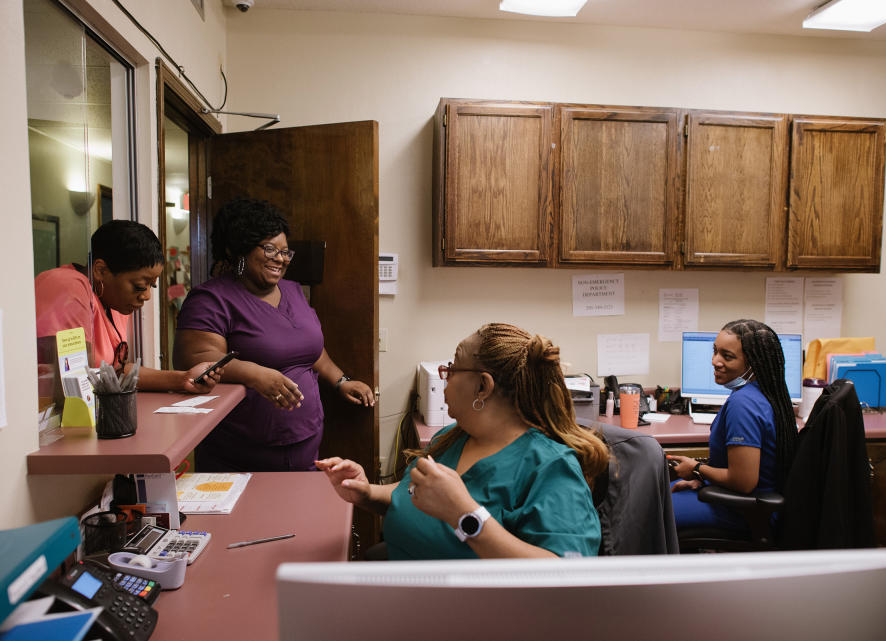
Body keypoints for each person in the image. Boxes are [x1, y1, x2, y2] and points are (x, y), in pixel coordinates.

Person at [317, 323, 609, 560]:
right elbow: (413, 492)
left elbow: (566, 578)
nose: (445, 376)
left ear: (483, 386)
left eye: (453, 368)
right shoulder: (451, 438)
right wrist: (367, 492)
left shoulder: (550, 467)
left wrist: (464, 514)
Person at [172, 197, 374, 472]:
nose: (281, 259)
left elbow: (309, 348)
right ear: (238, 250)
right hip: (240, 454)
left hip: (305, 445)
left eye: (286, 252)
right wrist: (254, 374)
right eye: (270, 249)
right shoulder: (210, 299)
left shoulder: (293, 290)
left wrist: (341, 381)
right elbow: (195, 360)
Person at [34, 220, 221, 393]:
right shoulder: (67, 286)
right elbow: (76, 378)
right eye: (140, 286)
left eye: (151, 286)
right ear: (101, 271)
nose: (146, 296)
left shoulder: (113, 302)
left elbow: (115, 372)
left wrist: (184, 378)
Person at [667, 319, 798, 531]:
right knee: (658, 499)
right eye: (715, 351)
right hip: (749, 501)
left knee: (650, 514)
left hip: (747, 511)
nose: (715, 361)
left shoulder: (743, 404)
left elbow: (743, 482)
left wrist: (697, 468)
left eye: (727, 356)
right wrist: (703, 479)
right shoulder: (765, 393)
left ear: (753, 363)